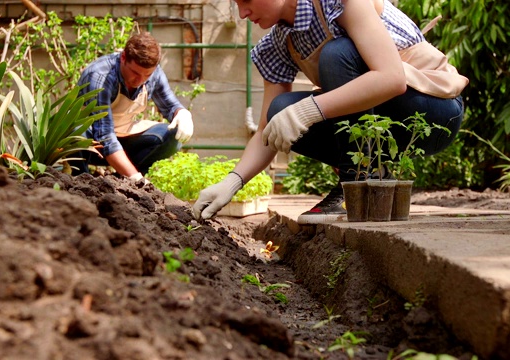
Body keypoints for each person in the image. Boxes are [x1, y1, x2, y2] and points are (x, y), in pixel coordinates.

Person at [193, 0, 468, 224]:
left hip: (434, 109)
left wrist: (311, 109)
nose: (242, 14)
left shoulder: (340, 3)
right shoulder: (276, 45)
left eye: (247, 1)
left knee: (338, 53)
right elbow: (266, 129)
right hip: (385, 127)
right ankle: (362, 183)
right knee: (280, 110)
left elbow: (392, 78)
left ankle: (356, 183)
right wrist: (232, 182)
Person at [72, 32, 193, 183]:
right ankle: (82, 184)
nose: (140, 80)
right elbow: (104, 137)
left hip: (123, 135)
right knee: (75, 133)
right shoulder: (100, 76)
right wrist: (134, 176)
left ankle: (126, 183)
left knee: (172, 136)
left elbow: (170, 105)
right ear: (123, 57)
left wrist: (181, 113)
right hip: (91, 144)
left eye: (146, 75)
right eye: (135, 72)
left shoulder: (154, 74)